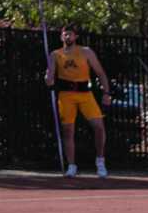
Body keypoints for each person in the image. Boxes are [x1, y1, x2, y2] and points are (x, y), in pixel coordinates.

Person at [46, 22, 111, 179]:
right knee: (68, 130)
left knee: (99, 126)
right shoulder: (55, 54)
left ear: (76, 36)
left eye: (70, 34)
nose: (67, 36)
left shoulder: (86, 52)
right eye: (65, 34)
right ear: (61, 36)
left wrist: (106, 92)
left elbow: (100, 73)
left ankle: (100, 161)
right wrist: (48, 79)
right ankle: (72, 166)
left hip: (84, 93)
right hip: (66, 95)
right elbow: (50, 79)